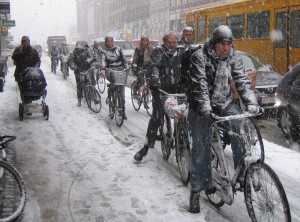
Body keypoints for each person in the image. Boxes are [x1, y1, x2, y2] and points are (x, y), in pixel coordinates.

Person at [186, 25, 261, 213]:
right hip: (201, 106)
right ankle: (196, 190)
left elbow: (242, 81)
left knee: (240, 130)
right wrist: (206, 111)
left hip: (224, 101)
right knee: (201, 148)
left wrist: (251, 102)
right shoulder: (200, 57)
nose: (226, 49)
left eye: (229, 44)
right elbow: (200, 87)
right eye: (223, 44)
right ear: (215, 43)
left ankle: (243, 174)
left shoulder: (233, 56)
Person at [134, 32, 184, 162]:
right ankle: (145, 147)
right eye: (169, 43)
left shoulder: (181, 51)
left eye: (174, 43)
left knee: (185, 115)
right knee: (157, 116)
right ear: (164, 42)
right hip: (161, 89)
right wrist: (156, 79)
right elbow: (155, 66)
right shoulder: (159, 52)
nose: (172, 45)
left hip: (177, 89)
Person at [102, 36, 128, 119]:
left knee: (122, 95)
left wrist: (126, 67)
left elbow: (123, 59)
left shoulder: (119, 49)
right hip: (110, 71)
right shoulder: (104, 51)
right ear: (106, 43)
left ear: (113, 42)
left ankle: (122, 111)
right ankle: (110, 98)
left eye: (111, 41)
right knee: (113, 86)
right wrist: (103, 65)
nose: (109, 43)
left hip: (120, 71)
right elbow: (103, 60)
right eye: (108, 41)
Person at [12, 36, 41, 101]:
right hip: (20, 73)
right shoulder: (18, 50)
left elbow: (38, 61)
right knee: (22, 90)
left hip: (31, 74)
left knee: (31, 89)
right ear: (22, 43)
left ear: (29, 42)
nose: (26, 44)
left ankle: (29, 101)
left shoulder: (33, 51)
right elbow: (14, 57)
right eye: (24, 42)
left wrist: (35, 68)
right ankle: (25, 102)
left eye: (27, 42)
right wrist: (21, 52)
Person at [68, 40, 94, 106]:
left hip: (87, 69)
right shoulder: (74, 52)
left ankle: (93, 95)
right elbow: (70, 61)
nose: (80, 48)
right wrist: (73, 66)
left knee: (90, 82)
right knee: (79, 85)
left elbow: (92, 57)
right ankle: (79, 100)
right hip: (78, 70)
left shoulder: (87, 51)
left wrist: (88, 62)